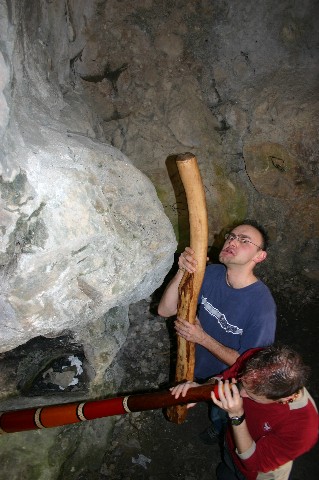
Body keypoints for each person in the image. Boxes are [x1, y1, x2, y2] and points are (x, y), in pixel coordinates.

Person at [158, 220, 277, 441]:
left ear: (259, 256)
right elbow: (165, 310)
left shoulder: (262, 308)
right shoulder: (211, 273)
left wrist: (202, 338)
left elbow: (250, 367)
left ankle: (222, 430)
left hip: (229, 380)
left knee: (222, 412)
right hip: (195, 365)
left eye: (244, 240)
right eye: (231, 236)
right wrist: (181, 272)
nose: (232, 242)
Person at [171, 344, 319, 480]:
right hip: (232, 440)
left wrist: (236, 416)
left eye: (251, 395)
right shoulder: (258, 361)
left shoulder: (304, 428)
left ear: (283, 399)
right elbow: (227, 378)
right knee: (224, 469)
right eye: (242, 383)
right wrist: (201, 388)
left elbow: (253, 463)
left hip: (252, 473)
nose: (241, 394)